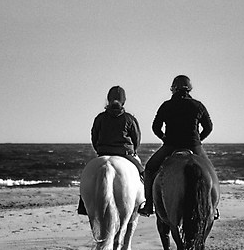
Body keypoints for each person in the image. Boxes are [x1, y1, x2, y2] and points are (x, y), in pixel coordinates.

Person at [142, 73, 216, 218]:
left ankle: (149, 204)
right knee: (210, 172)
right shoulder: (198, 105)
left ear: (173, 89)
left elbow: (155, 127)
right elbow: (209, 127)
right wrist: (198, 139)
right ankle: (213, 207)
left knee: (150, 169)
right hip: (194, 146)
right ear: (189, 89)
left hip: (171, 146)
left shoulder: (166, 105)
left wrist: (164, 138)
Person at [82, 86, 143, 214]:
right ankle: (144, 203)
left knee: (88, 177)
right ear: (124, 101)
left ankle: (83, 204)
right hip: (125, 154)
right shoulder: (129, 118)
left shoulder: (100, 118)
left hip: (103, 153)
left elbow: (94, 136)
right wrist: (134, 150)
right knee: (143, 174)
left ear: (108, 100)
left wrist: (99, 151)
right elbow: (136, 138)